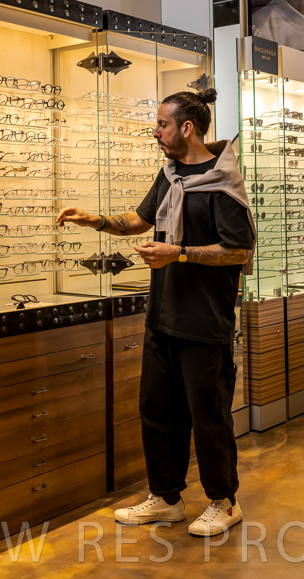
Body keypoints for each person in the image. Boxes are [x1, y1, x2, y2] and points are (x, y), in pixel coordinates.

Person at [56, 87, 255, 537]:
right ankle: (166, 499)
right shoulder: (170, 176)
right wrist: (95, 220)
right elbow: (139, 220)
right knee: (158, 411)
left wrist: (178, 253)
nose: (156, 131)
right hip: (163, 317)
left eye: (163, 124)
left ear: (187, 128)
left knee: (209, 416)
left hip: (205, 321)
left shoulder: (223, 183)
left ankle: (224, 502)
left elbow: (238, 251)